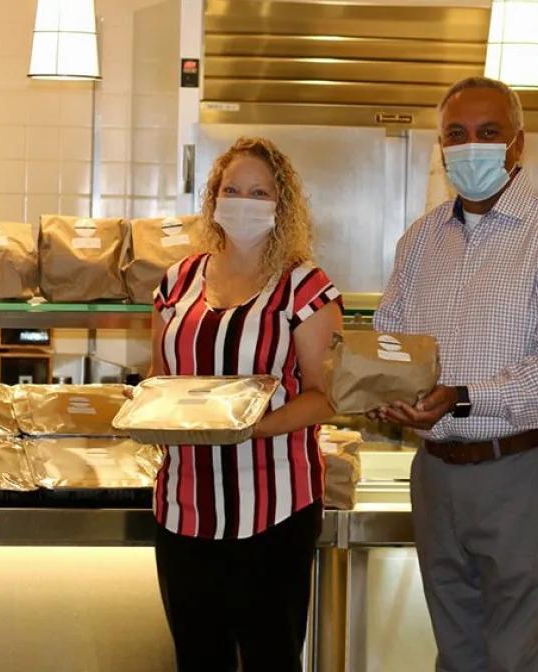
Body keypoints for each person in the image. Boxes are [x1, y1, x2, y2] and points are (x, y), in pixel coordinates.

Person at [374, 76, 538, 672]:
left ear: (517, 145)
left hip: (524, 473)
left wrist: (461, 399)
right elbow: (389, 342)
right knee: (457, 655)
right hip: (436, 477)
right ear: (440, 144)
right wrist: (383, 391)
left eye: (488, 133)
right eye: (456, 134)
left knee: (518, 659)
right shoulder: (420, 241)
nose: (470, 146)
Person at [148, 137, 343, 671]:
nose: (243, 201)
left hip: (273, 508)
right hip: (183, 508)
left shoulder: (306, 288)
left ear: (282, 206)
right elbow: (160, 378)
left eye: (259, 192)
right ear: (213, 199)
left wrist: (252, 429)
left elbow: (327, 396)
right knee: (197, 659)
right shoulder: (177, 281)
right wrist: (144, 408)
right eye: (232, 189)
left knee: (270, 659)